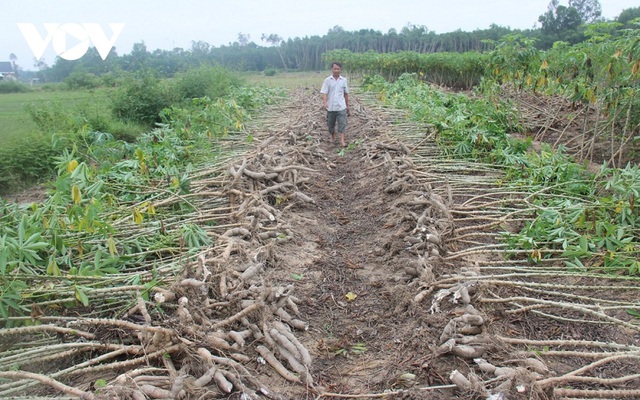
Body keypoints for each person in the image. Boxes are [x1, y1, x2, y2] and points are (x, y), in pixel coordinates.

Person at [320, 62, 349, 147]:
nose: (336, 70)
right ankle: (333, 136)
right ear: (332, 69)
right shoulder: (327, 80)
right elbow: (324, 93)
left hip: (341, 106)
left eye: (338, 69)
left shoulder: (343, 80)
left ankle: (342, 140)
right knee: (330, 124)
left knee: (342, 123)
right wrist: (325, 103)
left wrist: (347, 105)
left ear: (340, 70)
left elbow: (346, 93)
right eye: (334, 69)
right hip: (331, 107)